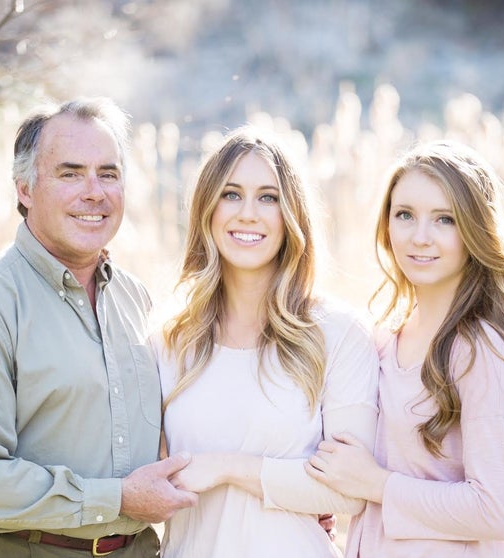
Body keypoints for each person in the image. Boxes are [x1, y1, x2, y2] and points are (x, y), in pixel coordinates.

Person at [0, 97, 198, 558]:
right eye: (71, 173)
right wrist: (119, 499)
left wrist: (277, 504)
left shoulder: (137, 300)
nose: (95, 192)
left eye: (108, 173)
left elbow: (177, 435)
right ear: (25, 188)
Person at [305, 140, 504, 557]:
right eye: (405, 215)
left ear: (475, 230)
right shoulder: (384, 340)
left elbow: (496, 510)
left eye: (444, 219)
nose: (419, 237)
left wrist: (377, 485)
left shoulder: (484, 350)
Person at [152, 126, 379, 557]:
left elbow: (349, 492)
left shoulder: (338, 333)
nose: (248, 214)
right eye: (231, 194)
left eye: (268, 197)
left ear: (291, 214)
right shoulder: (170, 339)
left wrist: (225, 468)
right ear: (207, 209)